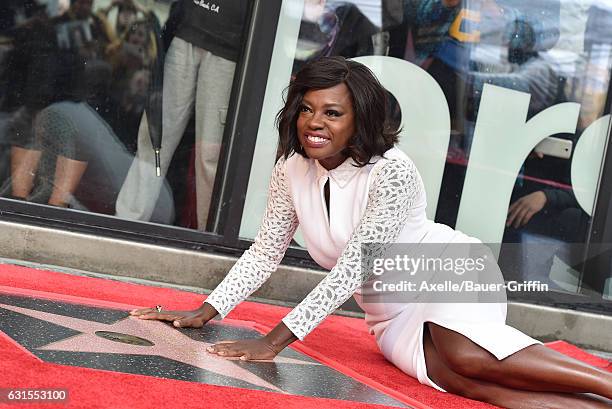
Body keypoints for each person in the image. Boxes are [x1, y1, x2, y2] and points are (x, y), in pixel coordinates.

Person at [130, 57, 612, 408]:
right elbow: (265, 251)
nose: (314, 123)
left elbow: (353, 267)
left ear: (359, 117)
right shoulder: (291, 169)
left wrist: (272, 341)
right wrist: (205, 309)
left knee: (463, 353)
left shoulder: (392, 170)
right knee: (459, 379)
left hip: (446, 273)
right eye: (306, 109)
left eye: (332, 113)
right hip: (388, 314)